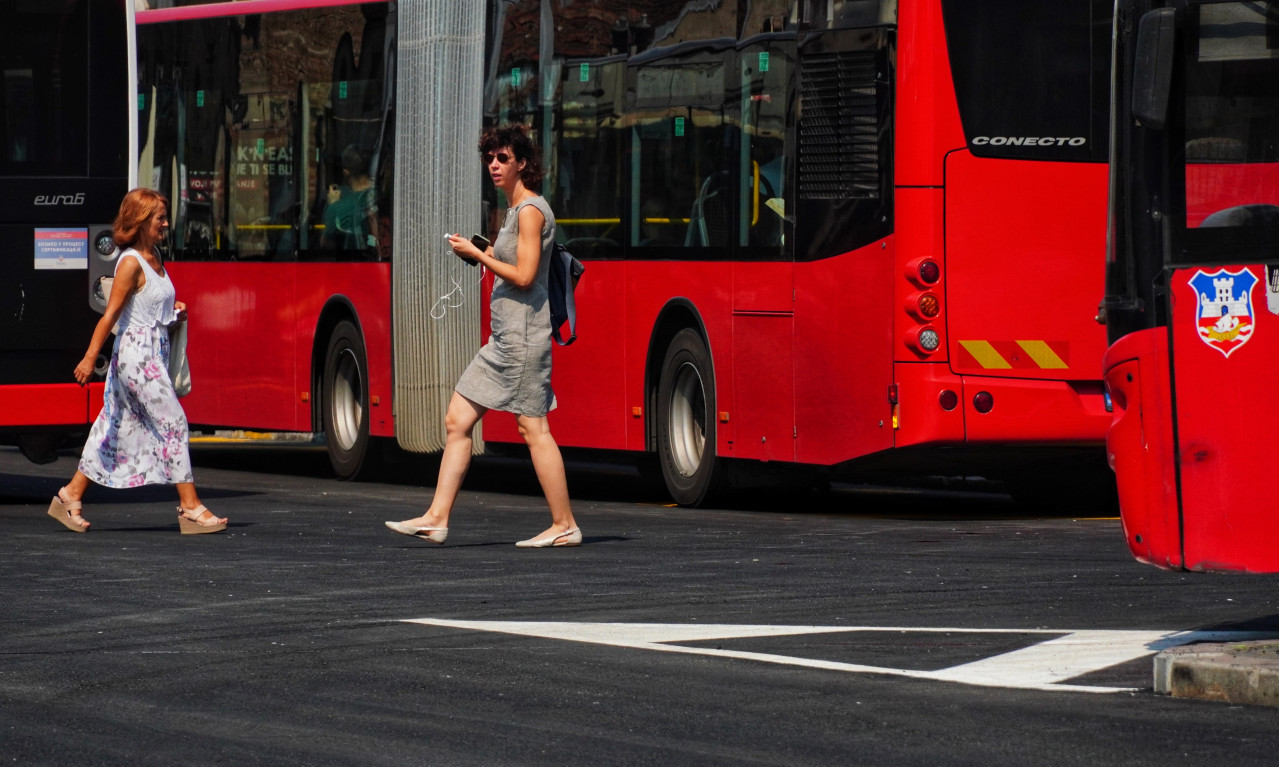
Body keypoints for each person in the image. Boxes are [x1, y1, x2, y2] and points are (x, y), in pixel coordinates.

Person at [386, 125, 580, 548]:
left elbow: (527, 277)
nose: (494, 165)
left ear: (522, 164)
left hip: (524, 340)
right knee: (457, 420)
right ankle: (436, 518)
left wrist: (478, 255)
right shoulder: (514, 211)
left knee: (534, 430)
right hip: (502, 340)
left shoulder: (530, 211)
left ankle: (564, 524)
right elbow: (516, 266)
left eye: (503, 158)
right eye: (490, 158)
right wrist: (484, 254)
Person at [46, 188, 227, 535]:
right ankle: (190, 507)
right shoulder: (130, 262)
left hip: (153, 352)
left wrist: (173, 314)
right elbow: (110, 315)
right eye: (159, 217)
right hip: (135, 358)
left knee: (114, 426)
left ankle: (70, 495)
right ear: (142, 220)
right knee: (173, 422)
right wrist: (88, 359)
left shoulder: (156, 255)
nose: (165, 223)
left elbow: (147, 308)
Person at [322, 144, 377, 253]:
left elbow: (325, 244)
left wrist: (333, 205)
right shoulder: (382, 195)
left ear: (346, 172)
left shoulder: (337, 209)